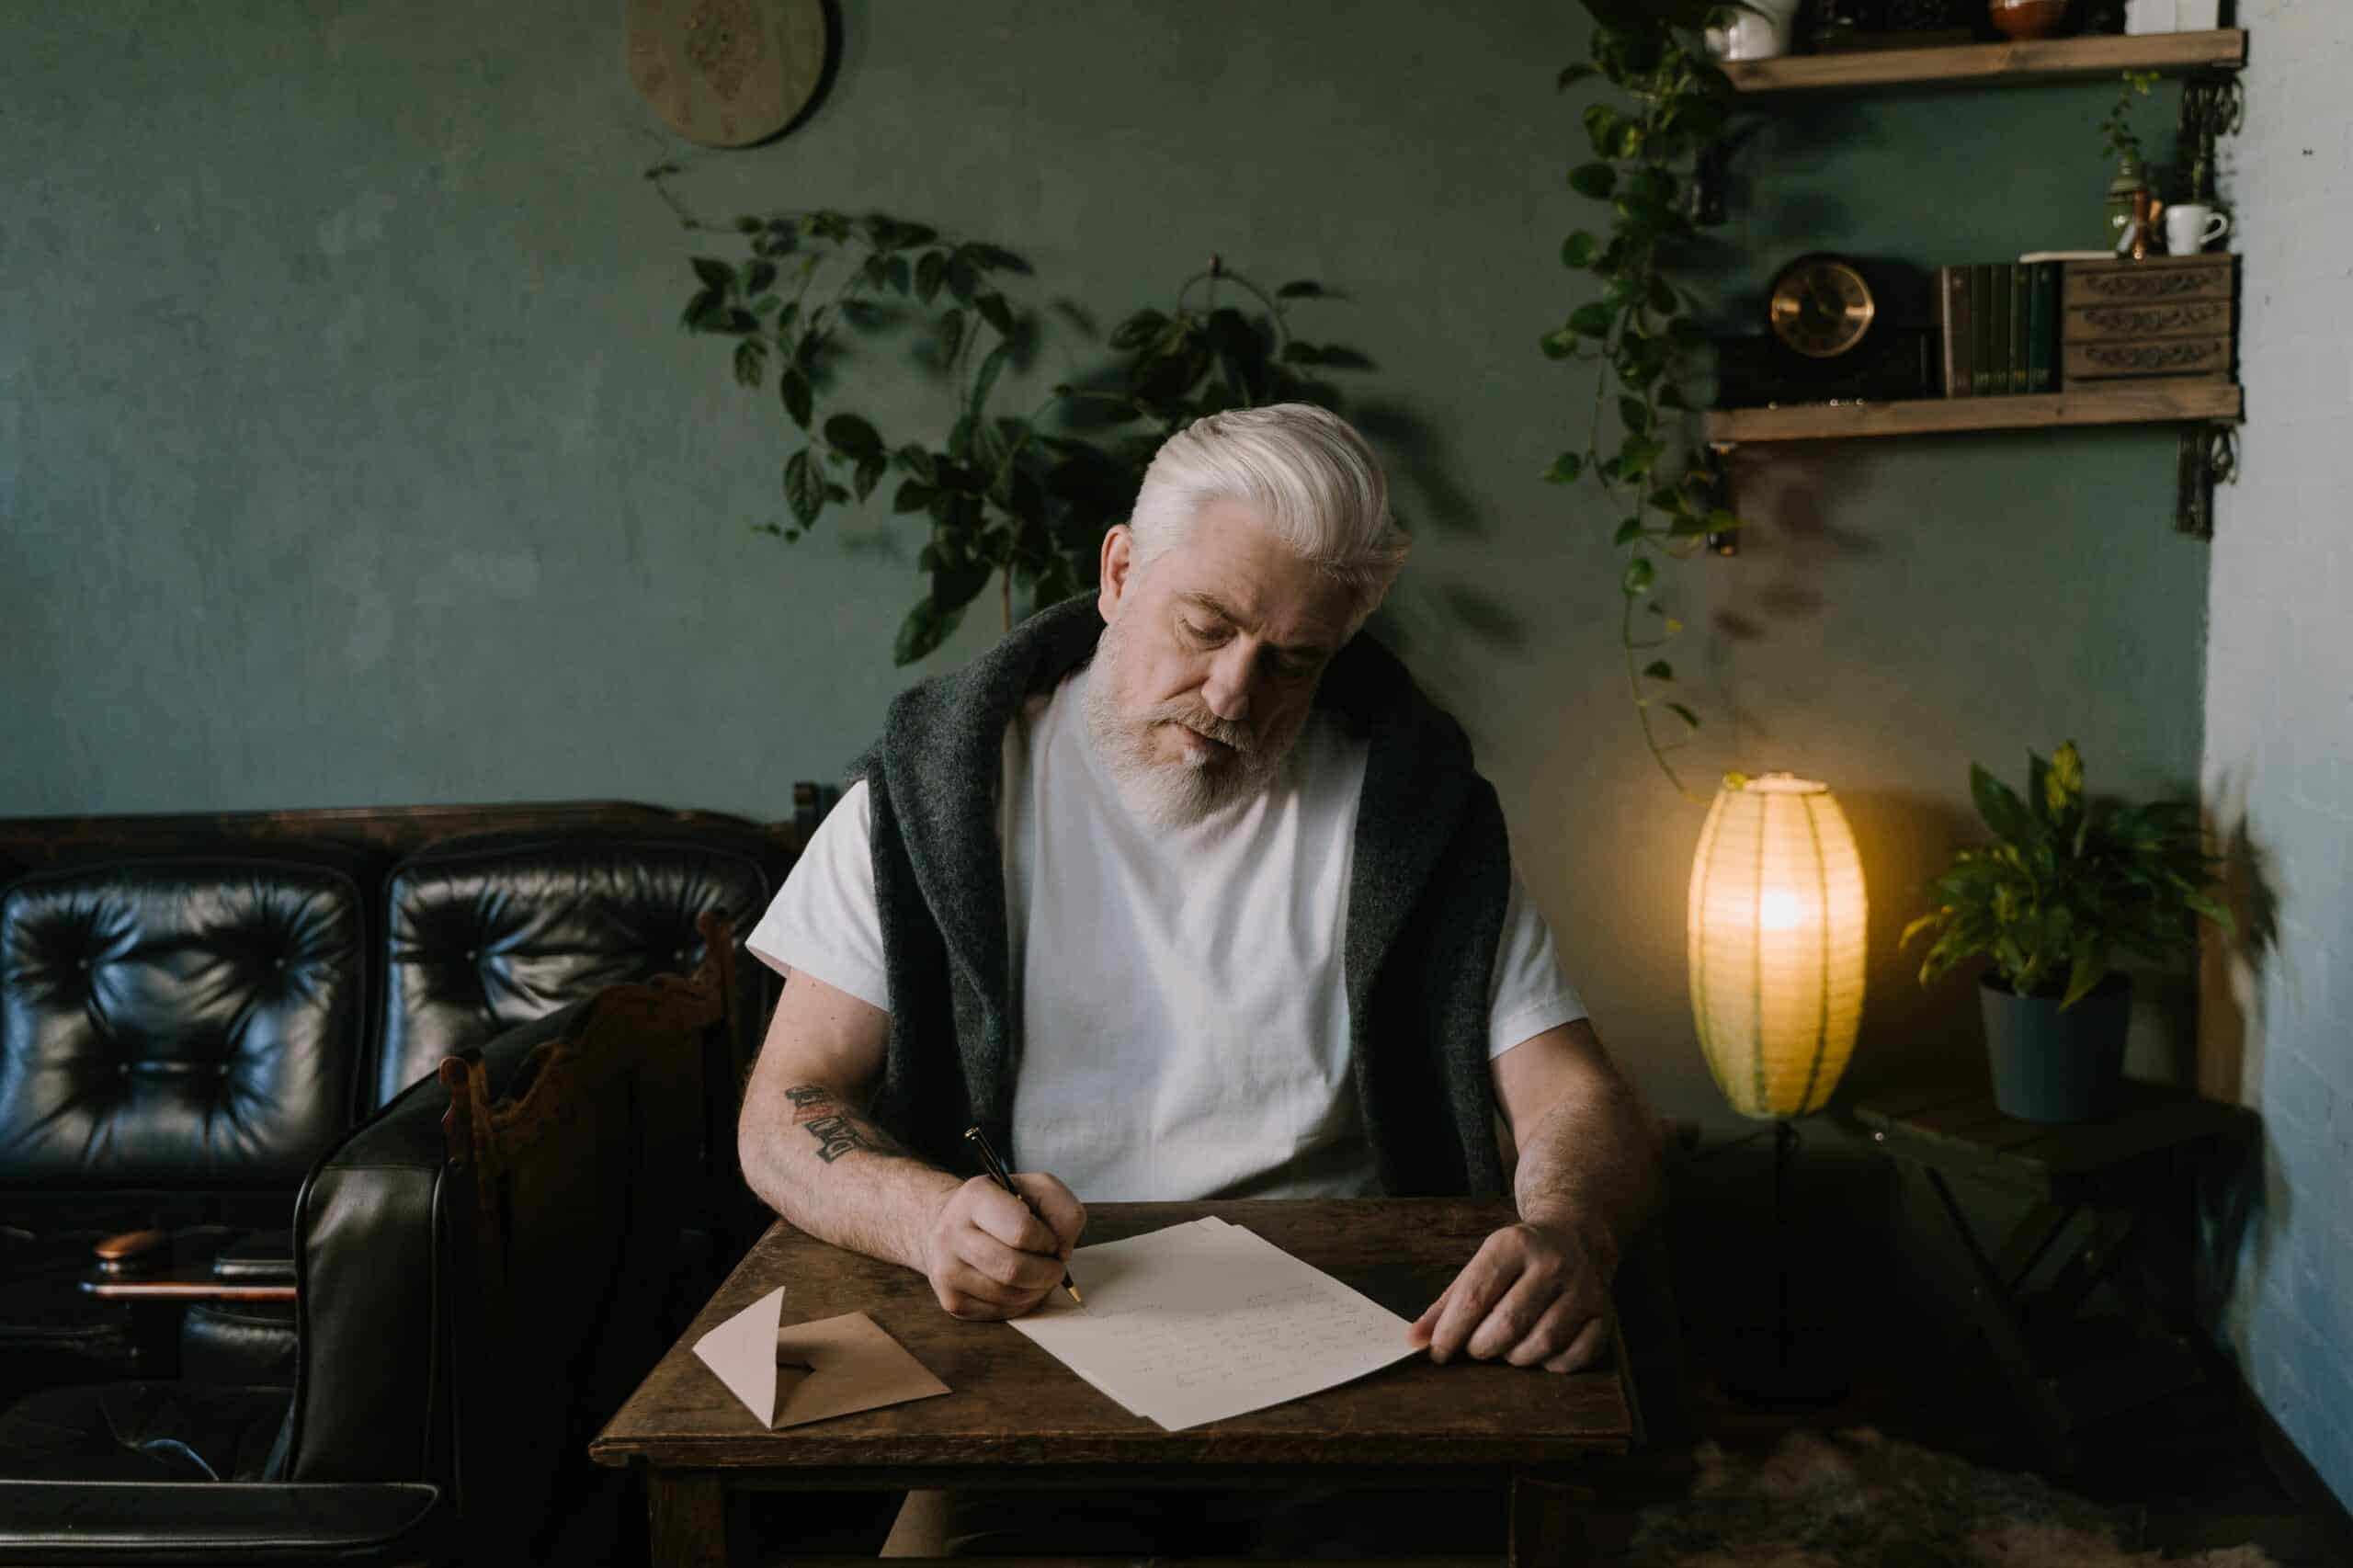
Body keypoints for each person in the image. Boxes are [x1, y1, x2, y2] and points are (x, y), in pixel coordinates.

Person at [737, 402, 1663, 1555]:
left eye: (1292, 661)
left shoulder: (1416, 816)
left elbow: (1575, 1095)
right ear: (1120, 570)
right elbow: (783, 1111)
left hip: (1356, 1356)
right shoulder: (931, 798)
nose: (1233, 692)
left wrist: (1574, 1228)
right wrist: (928, 1216)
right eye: (1206, 625)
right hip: (1029, 1350)